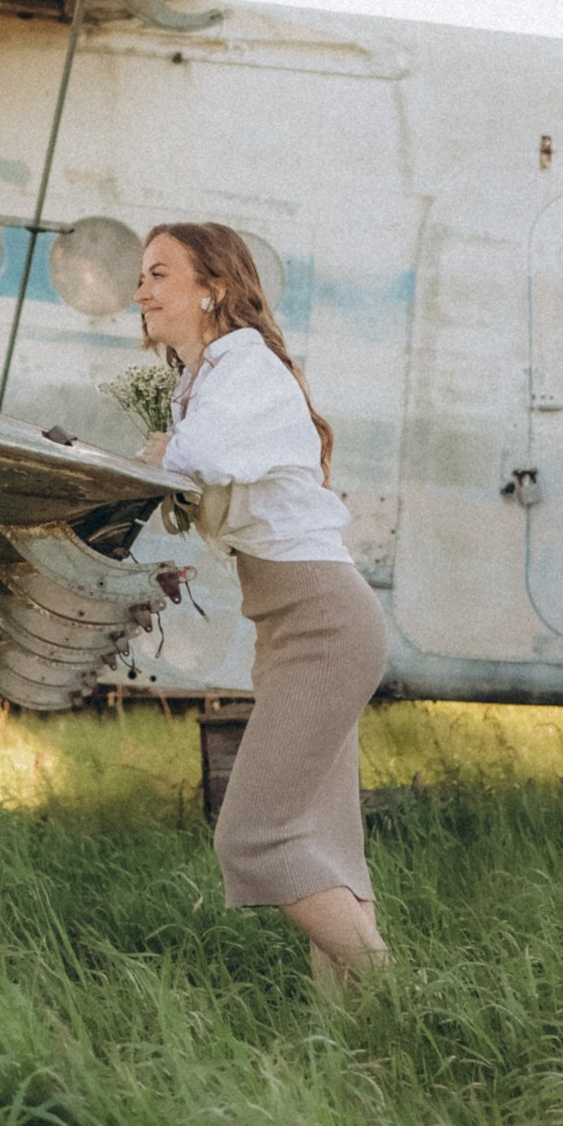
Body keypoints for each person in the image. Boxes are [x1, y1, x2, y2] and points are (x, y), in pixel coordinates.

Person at [136, 223, 390, 994]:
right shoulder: (210, 375)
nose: (141, 291)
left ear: (213, 287)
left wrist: (158, 452)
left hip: (322, 624)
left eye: (158, 274)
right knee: (327, 839)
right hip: (298, 624)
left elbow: (201, 458)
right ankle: (359, 1033)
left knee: (253, 839)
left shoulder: (242, 363)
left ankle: (393, 993)